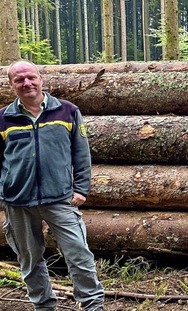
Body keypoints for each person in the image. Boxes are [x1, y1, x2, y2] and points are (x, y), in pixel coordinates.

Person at [1, 60, 104, 311]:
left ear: (40, 78)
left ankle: (92, 305)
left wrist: (81, 189)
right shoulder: (3, 118)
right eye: (19, 80)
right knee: (29, 260)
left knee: (78, 255)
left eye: (31, 77)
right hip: (18, 201)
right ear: (11, 85)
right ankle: (43, 306)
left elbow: (81, 153)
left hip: (60, 198)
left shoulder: (67, 111)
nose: (27, 83)